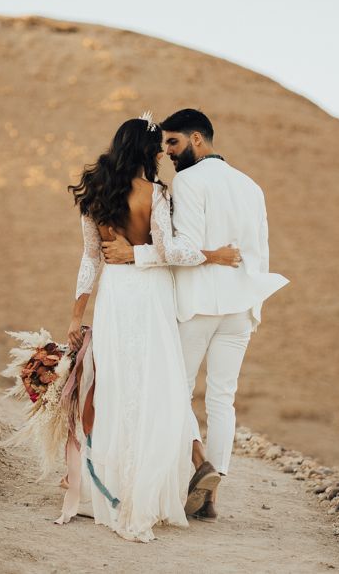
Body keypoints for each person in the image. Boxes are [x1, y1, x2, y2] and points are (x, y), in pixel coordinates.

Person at [102, 109, 289, 522]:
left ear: (197, 140)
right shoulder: (250, 185)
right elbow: (259, 251)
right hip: (241, 307)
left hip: (198, 303)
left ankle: (197, 469)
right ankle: (210, 495)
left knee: (176, 391)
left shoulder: (187, 182)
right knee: (223, 399)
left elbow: (180, 249)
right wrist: (253, 306)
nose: (166, 152)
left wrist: (134, 254)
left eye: (173, 142)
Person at [64, 114, 240, 542]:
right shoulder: (155, 193)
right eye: (158, 148)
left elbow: (91, 259)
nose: (163, 153)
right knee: (158, 388)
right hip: (151, 297)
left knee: (117, 389)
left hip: (114, 300)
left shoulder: (95, 195)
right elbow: (170, 251)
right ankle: (161, 482)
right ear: (147, 151)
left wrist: (76, 315)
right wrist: (214, 255)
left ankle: (115, 494)